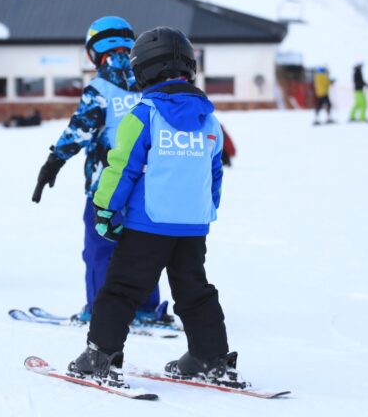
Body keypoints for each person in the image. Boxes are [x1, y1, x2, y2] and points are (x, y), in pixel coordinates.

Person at [68, 26, 241, 389]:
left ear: (143, 70)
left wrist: (104, 209)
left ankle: (100, 356)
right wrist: (206, 210)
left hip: (148, 224)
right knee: (194, 290)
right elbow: (214, 173)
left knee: (120, 290)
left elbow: (121, 168)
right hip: (192, 227)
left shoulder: (143, 114)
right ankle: (210, 357)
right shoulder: (208, 119)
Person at [31, 16, 167, 324]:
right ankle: (145, 308)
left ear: (95, 50)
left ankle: (100, 309)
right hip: (147, 184)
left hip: (105, 185)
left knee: (100, 248)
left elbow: (79, 130)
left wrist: (53, 162)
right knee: (142, 248)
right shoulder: (152, 85)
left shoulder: (100, 86)